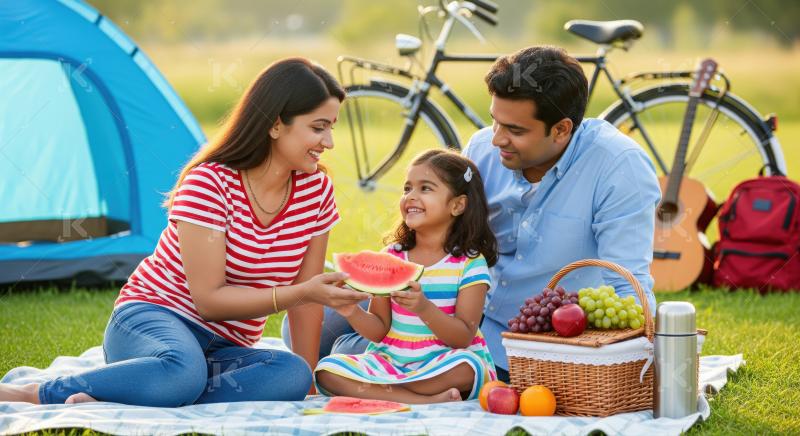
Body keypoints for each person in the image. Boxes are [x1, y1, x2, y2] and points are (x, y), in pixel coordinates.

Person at [0, 58, 369, 406]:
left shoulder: (316, 191)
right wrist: (300, 292)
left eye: (331, 128)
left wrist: (305, 382)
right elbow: (209, 301)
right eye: (318, 127)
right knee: (181, 367)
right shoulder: (210, 183)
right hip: (153, 318)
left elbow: (305, 303)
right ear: (275, 124)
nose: (328, 142)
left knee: (288, 373)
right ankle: (38, 393)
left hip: (223, 348)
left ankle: (142, 389)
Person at [463, 46, 660, 381]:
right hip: (463, 319)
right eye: (495, 121)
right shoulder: (480, 151)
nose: (496, 139)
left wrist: (633, 367)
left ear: (561, 129)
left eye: (515, 130)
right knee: (345, 327)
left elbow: (627, 283)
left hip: (552, 347)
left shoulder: (618, 167)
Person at [313, 150, 499, 404]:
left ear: (457, 205)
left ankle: (391, 391)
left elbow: (463, 336)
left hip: (443, 362)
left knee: (468, 367)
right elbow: (379, 330)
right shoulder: (392, 256)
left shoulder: (470, 264)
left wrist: (424, 308)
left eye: (425, 188)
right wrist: (350, 311)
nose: (411, 196)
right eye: (407, 188)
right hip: (391, 360)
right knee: (326, 371)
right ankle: (422, 398)